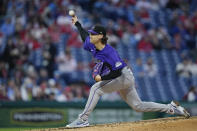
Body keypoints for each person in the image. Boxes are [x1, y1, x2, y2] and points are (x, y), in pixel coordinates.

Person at [66, 15, 190, 128]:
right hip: (122, 78)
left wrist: (101, 78)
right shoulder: (93, 44)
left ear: (100, 36)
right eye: (91, 34)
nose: (90, 36)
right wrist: (78, 24)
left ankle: (83, 119)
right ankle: (171, 108)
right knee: (138, 106)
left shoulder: (110, 52)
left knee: (96, 89)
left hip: (122, 76)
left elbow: (117, 72)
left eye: (93, 34)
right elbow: (84, 37)